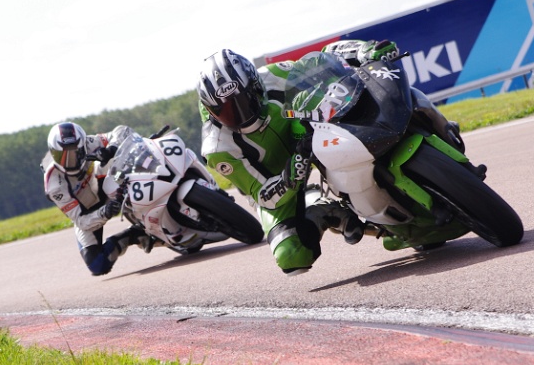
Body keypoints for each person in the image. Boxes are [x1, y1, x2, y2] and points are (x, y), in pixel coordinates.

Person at [197, 40, 467, 275]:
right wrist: (293, 174)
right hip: (277, 176)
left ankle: (438, 132)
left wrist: (362, 50)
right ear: (211, 110)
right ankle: (323, 210)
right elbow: (263, 196)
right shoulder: (217, 148)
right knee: (292, 256)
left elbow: (322, 60)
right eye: (227, 111)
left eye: (244, 101)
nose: (240, 114)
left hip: (307, 130)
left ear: (254, 85)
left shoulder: (273, 76)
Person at [41, 122, 152, 276]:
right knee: (97, 265)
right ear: (53, 153)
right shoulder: (54, 186)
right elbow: (81, 221)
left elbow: (123, 131)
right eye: (63, 156)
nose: (70, 161)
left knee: (128, 155)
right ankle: (131, 235)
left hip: (105, 184)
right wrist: (104, 213)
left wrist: (110, 149)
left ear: (82, 145)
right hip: (89, 212)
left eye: (75, 153)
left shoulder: (88, 142)